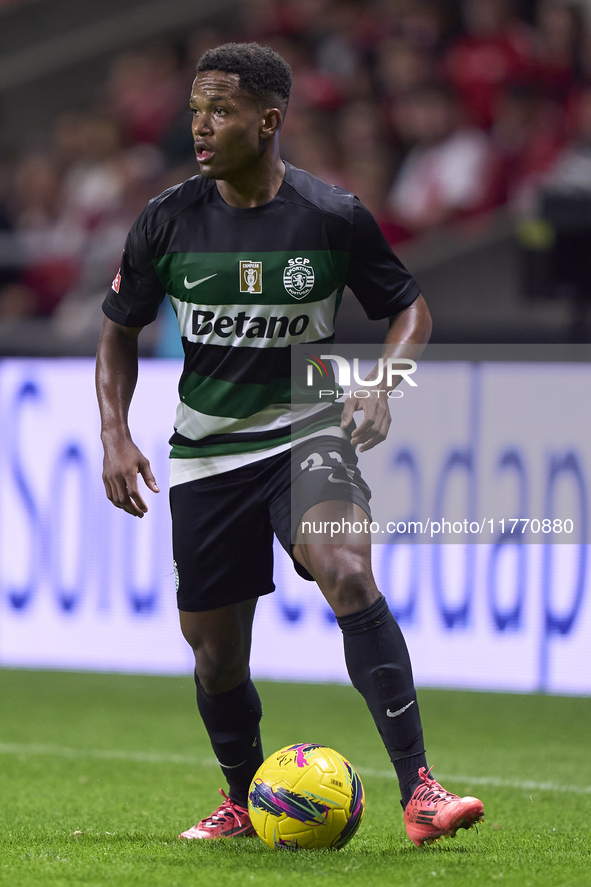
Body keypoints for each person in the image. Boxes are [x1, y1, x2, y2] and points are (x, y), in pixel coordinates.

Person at [95, 42, 484, 848]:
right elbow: (118, 331)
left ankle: (420, 788)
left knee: (345, 568)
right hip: (207, 450)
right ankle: (242, 798)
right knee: (215, 655)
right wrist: (114, 432)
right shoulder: (165, 219)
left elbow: (409, 309)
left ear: (268, 120)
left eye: (220, 110)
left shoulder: (331, 215)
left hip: (309, 420)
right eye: (194, 109)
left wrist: (382, 383)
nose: (199, 125)